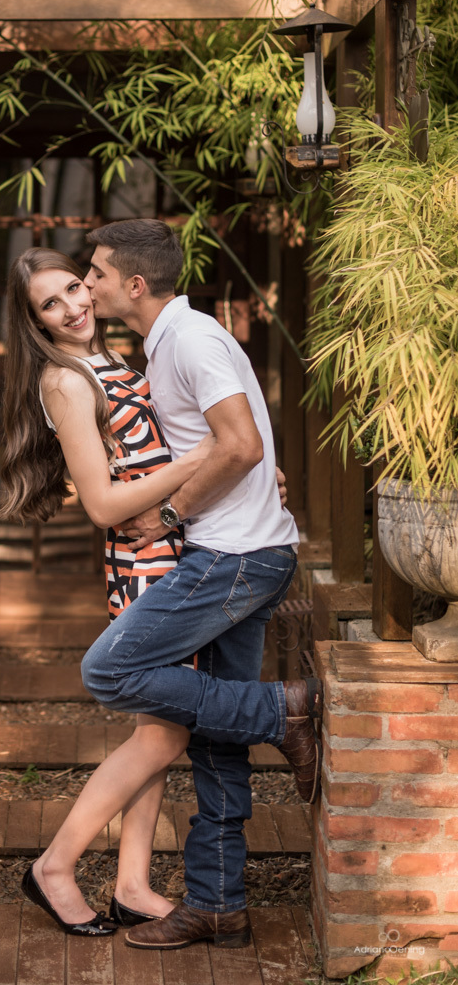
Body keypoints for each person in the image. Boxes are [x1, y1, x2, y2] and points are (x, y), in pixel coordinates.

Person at [78, 218, 321, 952]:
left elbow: (240, 444)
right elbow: (229, 444)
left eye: (95, 273)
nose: (87, 284)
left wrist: (170, 515)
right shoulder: (166, 344)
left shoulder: (190, 338)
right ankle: (218, 904)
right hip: (233, 549)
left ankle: (282, 710)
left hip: (235, 556)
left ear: (134, 284)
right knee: (216, 738)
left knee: (109, 668)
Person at [0, 246, 215, 936]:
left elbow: (147, 456)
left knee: (157, 731)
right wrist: (202, 460)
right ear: (35, 322)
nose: (73, 307)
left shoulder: (111, 359)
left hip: (169, 549)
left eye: (74, 288)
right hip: (144, 562)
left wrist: (227, 477)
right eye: (51, 304)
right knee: (164, 735)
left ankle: (131, 885)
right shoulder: (64, 381)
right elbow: (101, 504)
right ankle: (55, 866)